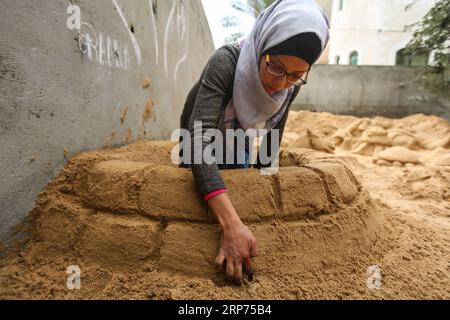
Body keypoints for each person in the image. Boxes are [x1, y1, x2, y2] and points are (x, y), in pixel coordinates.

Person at [179, 0, 330, 285]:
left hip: (239, 137)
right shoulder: (226, 61)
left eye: (297, 75)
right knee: (199, 177)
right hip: (198, 134)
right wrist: (231, 224)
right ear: (263, 46)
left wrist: (266, 199)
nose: (282, 83)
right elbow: (197, 139)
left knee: (240, 171)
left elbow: (271, 146)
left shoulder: (289, 84)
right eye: (276, 68)